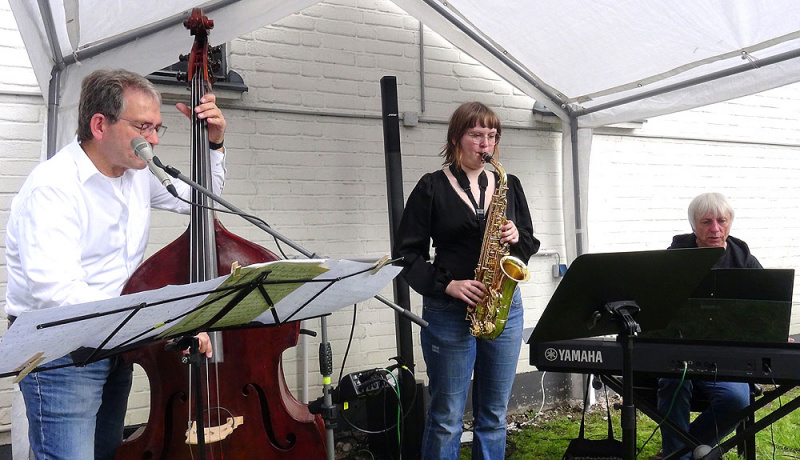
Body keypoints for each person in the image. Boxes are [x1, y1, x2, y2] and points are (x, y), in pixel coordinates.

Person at [4, 69, 224, 460]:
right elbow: (59, 295)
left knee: (105, 452)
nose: (154, 139)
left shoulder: (138, 173)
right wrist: (162, 320)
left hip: (116, 341)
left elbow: (202, 200)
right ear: (100, 125)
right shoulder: (53, 188)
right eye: (143, 127)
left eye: (157, 128)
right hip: (62, 352)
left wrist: (214, 143)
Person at [392, 101, 540, 459]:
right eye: (476, 134)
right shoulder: (431, 187)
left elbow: (529, 244)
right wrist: (448, 285)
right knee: (446, 417)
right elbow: (407, 254)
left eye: (492, 135)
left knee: (494, 415)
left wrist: (516, 238)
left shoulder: (509, 185)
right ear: (456, 137)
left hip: (502, 307)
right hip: (449, 310)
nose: (485, 143)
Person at [657, 192, 761, 460]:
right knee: (673, 385)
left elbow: (765, 309)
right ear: (693, 226)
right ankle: (679, 455)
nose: (715, 229)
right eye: (706, 222)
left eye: (722, 221)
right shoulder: (673, 258)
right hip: (679, 352)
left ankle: (679, 454)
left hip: (727, 356)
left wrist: (775, 335)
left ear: (730, 223)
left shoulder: (744, 259)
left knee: (737, 401)